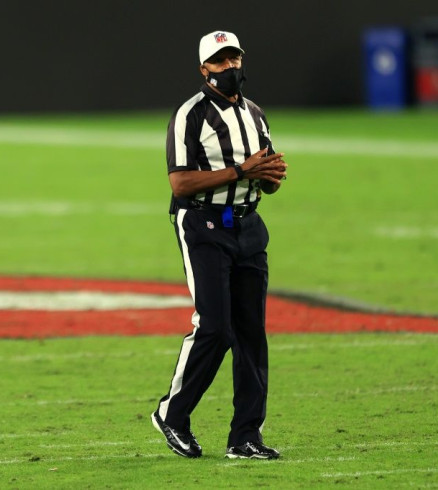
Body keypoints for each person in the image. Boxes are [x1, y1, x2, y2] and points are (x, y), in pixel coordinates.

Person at [151, 30, 287, 460]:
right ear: (203, 69)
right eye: (220, 61)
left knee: (251, 334)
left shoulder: (256, 114)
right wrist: (239, 171)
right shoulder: (189, 115)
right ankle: (173, 415)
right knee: (214, 327)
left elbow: (264, 183)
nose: (229, 68)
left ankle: (245, 436)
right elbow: (179, 181)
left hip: (248, 225)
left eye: (234, 59)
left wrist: (268, 176)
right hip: (204, 225)